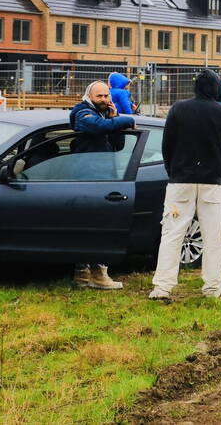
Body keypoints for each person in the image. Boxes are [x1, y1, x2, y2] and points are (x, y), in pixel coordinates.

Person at [149, 70, 221, 300]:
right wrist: (219, 168)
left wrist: (174, 170)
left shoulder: (178, 109)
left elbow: (167, 145)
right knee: (213, 236)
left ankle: (162, 287)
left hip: (180, 181)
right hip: (212, 183)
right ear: (217, 88)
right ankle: (212, 285)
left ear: (195, 87)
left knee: (171, 234)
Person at [69, 80, 136, 290]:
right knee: (92, 225)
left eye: (107, 96)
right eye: (100, 96)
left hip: (104, 179)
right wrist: (126, 119)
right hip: (86, 179)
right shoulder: (82, 113)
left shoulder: (105, 116)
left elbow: (118, 145)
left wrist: (115, 119)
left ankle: (88, 273)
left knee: (96, 225)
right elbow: (98, 128)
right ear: (90, 97)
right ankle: (93, 274)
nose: (105, 100)